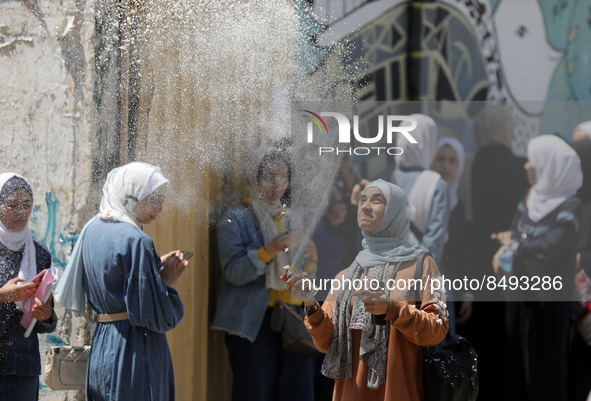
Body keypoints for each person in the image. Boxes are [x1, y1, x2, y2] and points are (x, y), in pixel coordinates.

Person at [285, 179, 448, 401]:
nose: (365, 205)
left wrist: (392, 310)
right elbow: (326, 344)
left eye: (376, 200)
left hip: (399, 391)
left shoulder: (422, 264)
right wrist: (311, 304)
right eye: (362, 200)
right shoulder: (346, 276)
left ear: (395, 211)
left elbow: (437, 329)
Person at [54, 162, 187, 401]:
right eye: (154, 199)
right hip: (135, 349)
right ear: (132, 194)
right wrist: (166, 282)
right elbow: (155, 316)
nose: (160, 208)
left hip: (104, 342)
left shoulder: (93, 228)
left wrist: (153, 265)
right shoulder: (137, 241)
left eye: (162, 200)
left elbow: (112, 275)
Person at [212, 147, 318, 401]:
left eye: (283, 176)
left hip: (290, 318)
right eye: (269, 176)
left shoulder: (293, 218)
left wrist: (311, 261)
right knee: (254, 393)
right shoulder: (235, 219)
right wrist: (268, 250)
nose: (277, 184)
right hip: (251, 323)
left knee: (296, 393)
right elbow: (234, 273)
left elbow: (304, 276)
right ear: (253, 177)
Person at [492, 135, 583, 401]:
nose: (526, 166)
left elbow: (549, 245)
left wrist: (515, 245)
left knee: (545, 371)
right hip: (519, 298)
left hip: (547, 304)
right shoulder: (531, 197)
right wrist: (504, 248)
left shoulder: (571, 206)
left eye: (532, 161)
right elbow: (516, 232)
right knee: (516, 368)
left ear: (550, 166)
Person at [0, 173, 56, 400]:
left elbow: (48, 321)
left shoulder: (40, 254)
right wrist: (3, 295)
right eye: (11, 205)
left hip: (22, 364)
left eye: (26, 205)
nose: (20, 212)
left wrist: (46, 315)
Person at [390, 114, 449, 267]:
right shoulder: (437, 184)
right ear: (426, 143)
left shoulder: (385, 180)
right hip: (418, 276)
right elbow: (433, 248)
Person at [431, 138, 472, 325]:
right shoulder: (425, 197)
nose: (445, 165)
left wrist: (467, 291)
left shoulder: (457, 206)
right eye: (441, 158)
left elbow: (460, 252)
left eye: (452, 160)